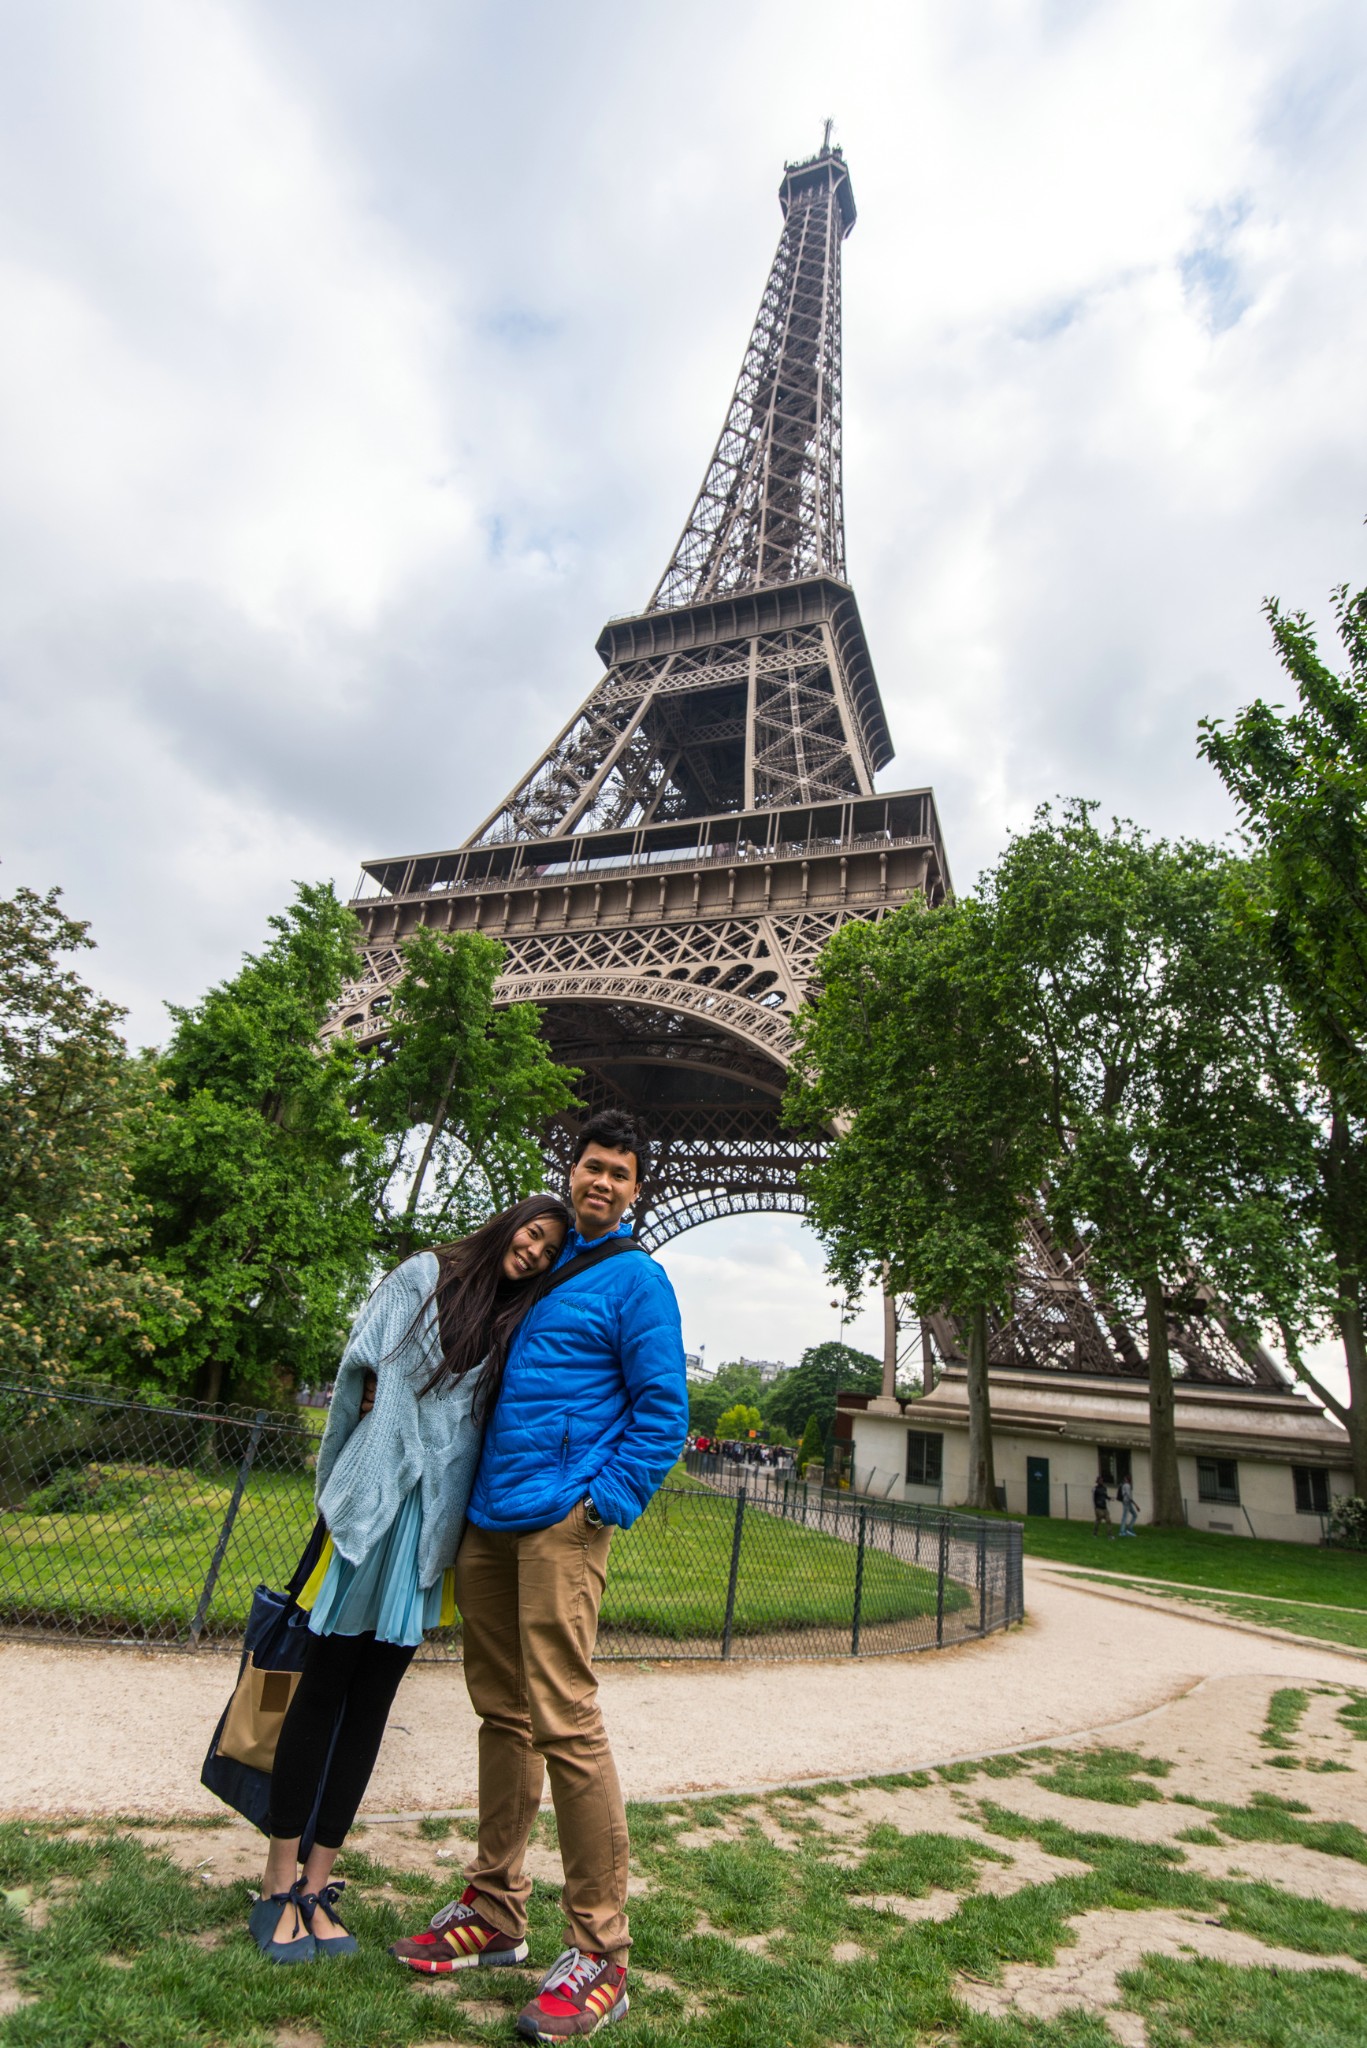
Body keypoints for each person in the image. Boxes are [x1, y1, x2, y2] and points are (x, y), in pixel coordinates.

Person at [390, 1110, 687, 2044]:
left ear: (637, 1190)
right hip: (490, 1516)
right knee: (502, 1715)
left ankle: (599, 1951)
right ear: (571, 1171)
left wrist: (601, 1506)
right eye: (590, 1166)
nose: (601, 1182)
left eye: (620, 1174)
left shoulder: (637, 1280)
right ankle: (495, 1907)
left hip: (562, 1519)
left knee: (565, 1720)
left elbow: (663, 1407)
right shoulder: (538, 1268)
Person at [249, 1193, 571, 1964]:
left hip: (430, 1530)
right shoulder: (422, 1275)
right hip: (372, 1514)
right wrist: (350, 1469)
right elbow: (358, 1368)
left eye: (547, 1250)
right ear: (509, 1222)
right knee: (321, 1693)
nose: (532, 1252)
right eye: (531, 1233)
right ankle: (274, 1883)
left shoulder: (510, 1324)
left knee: (370, 1710)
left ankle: (318, 1883)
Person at [1091, 1473, 1113, 1539]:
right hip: (1098, 1508)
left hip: (1104, 1508)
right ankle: (1095, 1533)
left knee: (1108, 1521)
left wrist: (1110, 1498)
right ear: (1097, 1481)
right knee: (1098, 1521)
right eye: (1100, 1480)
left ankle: (1110, 1535)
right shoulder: (1095, 1489)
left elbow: (1105, 1496)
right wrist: (1095, 1507)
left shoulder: (1104, 1488)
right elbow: (1093, 1499)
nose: (1101, 1481)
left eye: (1102, 1480)